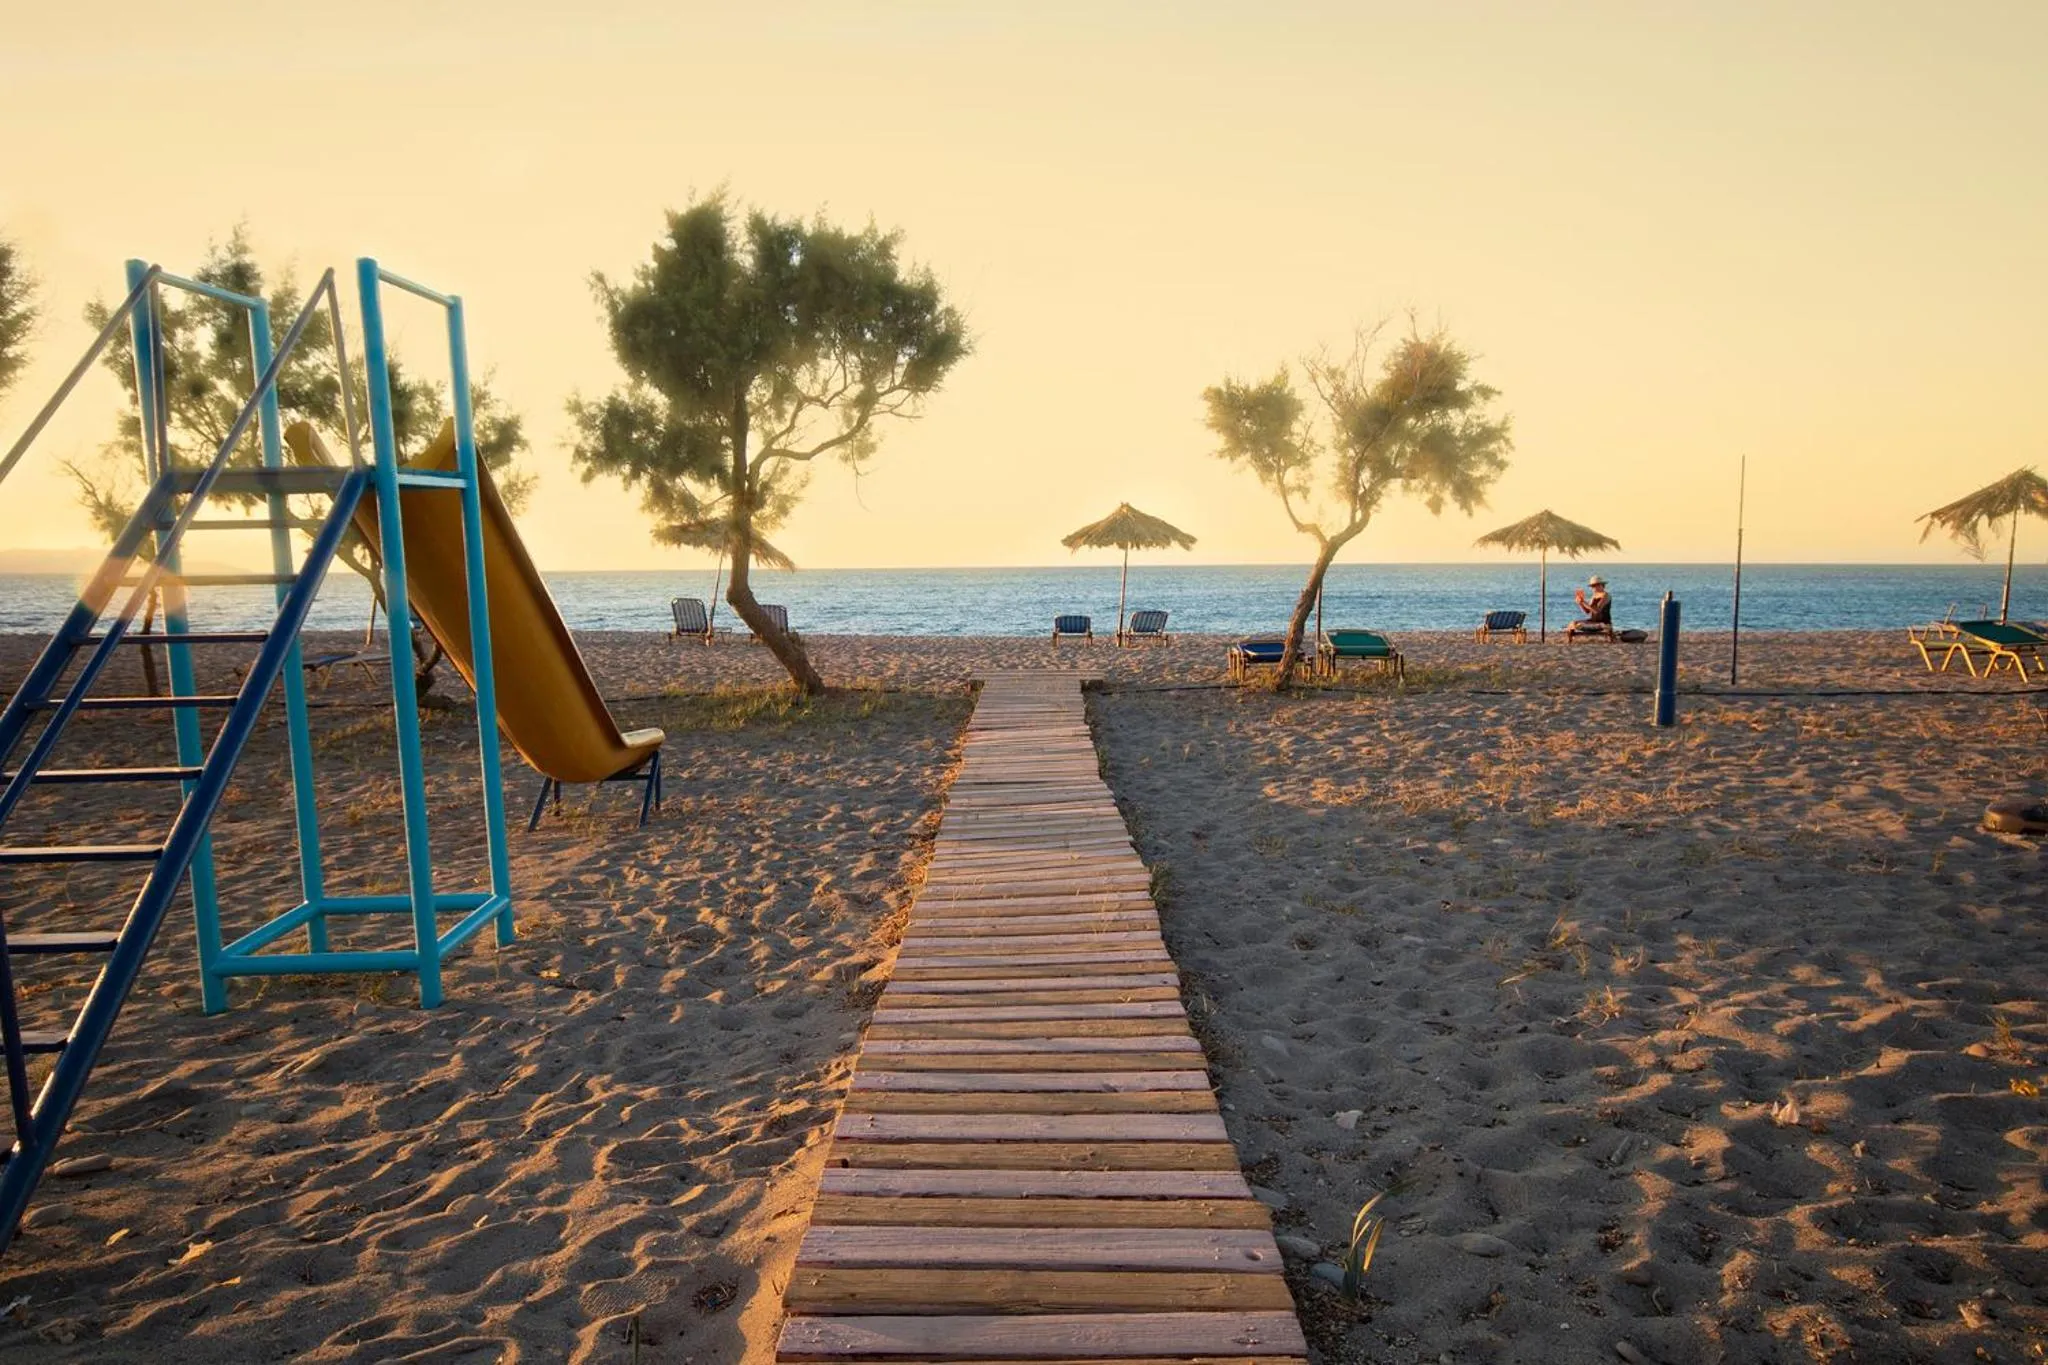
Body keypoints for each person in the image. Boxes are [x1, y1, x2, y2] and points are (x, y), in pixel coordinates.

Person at [1567, 575, 1613, 640]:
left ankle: (1611, 637)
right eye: (1592, 586)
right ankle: (1570, 641)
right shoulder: (1594, 596)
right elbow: (1587, 611)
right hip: (1593, 621)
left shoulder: (1606, 596)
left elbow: (1597, 611)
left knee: (1577, 624)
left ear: (1600, 585)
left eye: (1594, 586)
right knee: (1572, 623)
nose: (1592, 588)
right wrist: (1581, 603)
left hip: (1603, 622)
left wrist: (1584, 602)